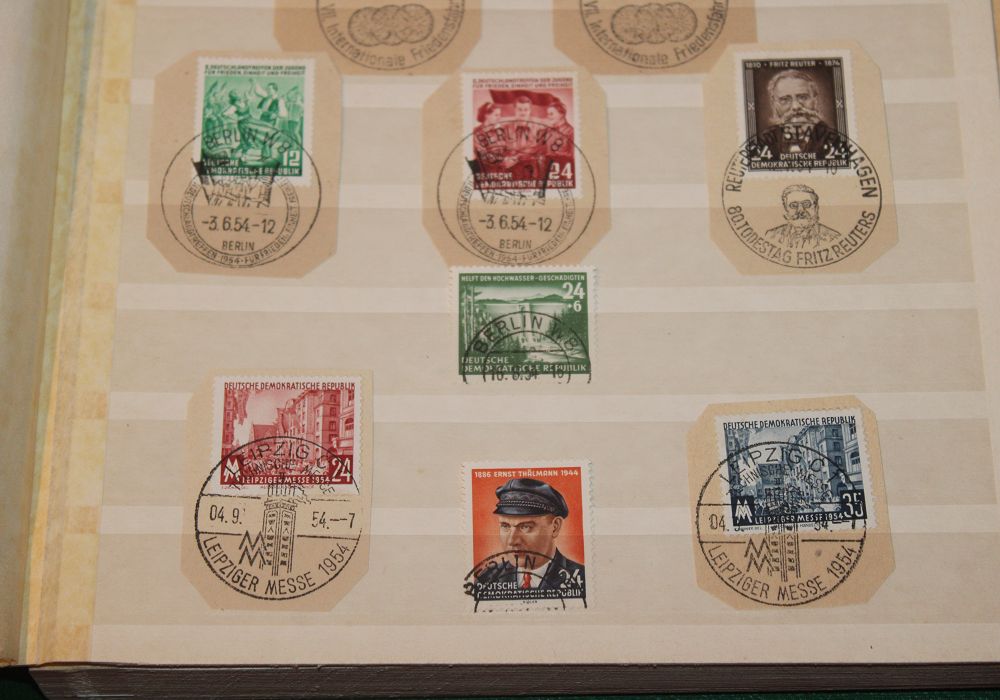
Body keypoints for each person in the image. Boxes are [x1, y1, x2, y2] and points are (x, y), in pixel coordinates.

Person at [475, 478, 585, 592]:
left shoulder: (582, 580)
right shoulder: (486, 579)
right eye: (505, 526)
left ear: (555, 527)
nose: (512, 541)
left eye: (525, 527)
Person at [764, 69, 831, 155]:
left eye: (803, 97)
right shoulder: (764, 142)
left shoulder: (833, 140)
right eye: (785, 100)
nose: (795, 107)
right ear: (774, 104)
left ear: (815, 100)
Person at [765, 184, 841, 249]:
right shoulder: (771, 236)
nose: (800, 210)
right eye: (794, 205)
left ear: (816, 208)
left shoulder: (833, 238)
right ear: (786, 209)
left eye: (806, 204)